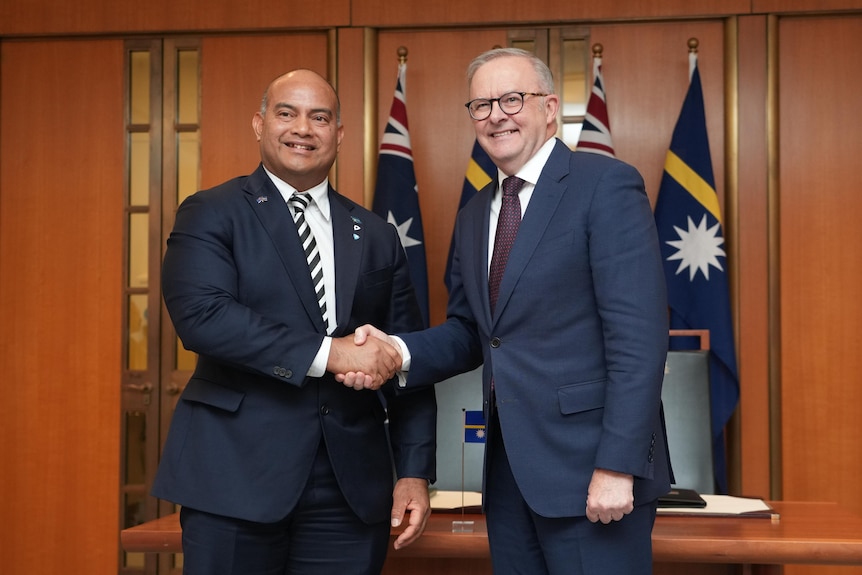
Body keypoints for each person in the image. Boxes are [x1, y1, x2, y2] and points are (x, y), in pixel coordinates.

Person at [341, 48, 672, 575]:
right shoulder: (475, 215)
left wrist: (618, 464)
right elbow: (474, 332)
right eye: (481, 105)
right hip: (509, 477)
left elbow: (639, 337)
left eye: (512, 99)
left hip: (593, 472)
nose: (496, 115)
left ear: (549, 107)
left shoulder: (604, 185)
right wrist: (397, 350)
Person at [152, 69, 437, 575]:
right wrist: (334, 353)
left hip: (350, 489)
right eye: (287, 113)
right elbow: (203, 318)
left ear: (339, 134)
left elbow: (404, 356)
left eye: (319, 117)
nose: (303, 128)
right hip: (234, 479)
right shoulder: (211, 212)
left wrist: (414, 470)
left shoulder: (373, 234)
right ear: (260, 125)